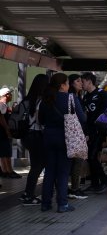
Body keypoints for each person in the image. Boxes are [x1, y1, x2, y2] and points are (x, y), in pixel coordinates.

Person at [38, 73, 86, 213]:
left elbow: (41, 120)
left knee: (50, 171)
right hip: (66, 138)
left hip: (48, 137)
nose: (68, 85)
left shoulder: (45, 100)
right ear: (62, 85)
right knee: (63, 172)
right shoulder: (70, 98)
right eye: (67, 83)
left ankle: (45, 203)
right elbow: (82, 118)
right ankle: (62, 204)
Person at [19, 74, 49, 206]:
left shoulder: (27, 99)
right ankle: (29, 195)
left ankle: (27, 194)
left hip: (27, 136)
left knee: (35, 165)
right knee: (38, 166)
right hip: (37, 136)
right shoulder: (41, 101)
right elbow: (40, 121)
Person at [81, 72, 107, 194]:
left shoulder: (102, 94)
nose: (82, 84)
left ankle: (104, 180)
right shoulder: (86, 97)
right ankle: (95, 183)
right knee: (90, 158)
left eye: (83, 81)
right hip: (89, 132)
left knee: (93, 157)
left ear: (89, 81)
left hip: (99, 131)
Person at [67, 74, 88, 200]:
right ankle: (75, 188)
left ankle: (71, 188)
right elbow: (82, 117)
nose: (81, 83)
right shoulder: (73, 97)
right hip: (76, 134)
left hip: (71, 134)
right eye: (78, 81)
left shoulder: (76, 96)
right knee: (77, 161)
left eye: (81, 81)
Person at [0, 86, 22, 179]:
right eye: (10, 94)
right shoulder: (2, 105)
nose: (11, 95)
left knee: (4, 152)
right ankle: (8, 171)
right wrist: (7, 129)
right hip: (2, 133)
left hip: (3, 132)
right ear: (6, 95)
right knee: (6, 152)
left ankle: (6, 170)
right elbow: (1, 119)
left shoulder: (4, 105)